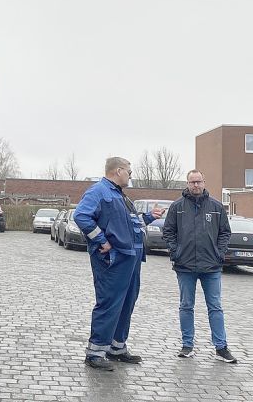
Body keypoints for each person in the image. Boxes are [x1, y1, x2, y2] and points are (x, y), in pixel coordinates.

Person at [73, 156, 157, 371]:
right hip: (113, 260)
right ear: (118, 170)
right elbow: (81, 216)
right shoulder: (98, 191)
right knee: (110, 303)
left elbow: (129, 223)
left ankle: (117, 348)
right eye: (129, 171)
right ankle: (95, 352)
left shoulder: (121, 196)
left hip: (132, 259)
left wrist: (148, 217)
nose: (131, 175)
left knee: (127, 303)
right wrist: (102, 240)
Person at [161, 170, 237, 363]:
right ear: (187, 183)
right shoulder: (177, 207)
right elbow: (168, 231)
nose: (196, 185)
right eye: (192, 182)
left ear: (204, 182)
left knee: (215, 307)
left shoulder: (216, 207)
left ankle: (221, 347)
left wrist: (219, 253)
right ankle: (187, 345)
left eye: (199, 182)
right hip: (185, 265)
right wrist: (175, 251)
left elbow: (225, 233)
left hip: (211, 266)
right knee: (186, 305)